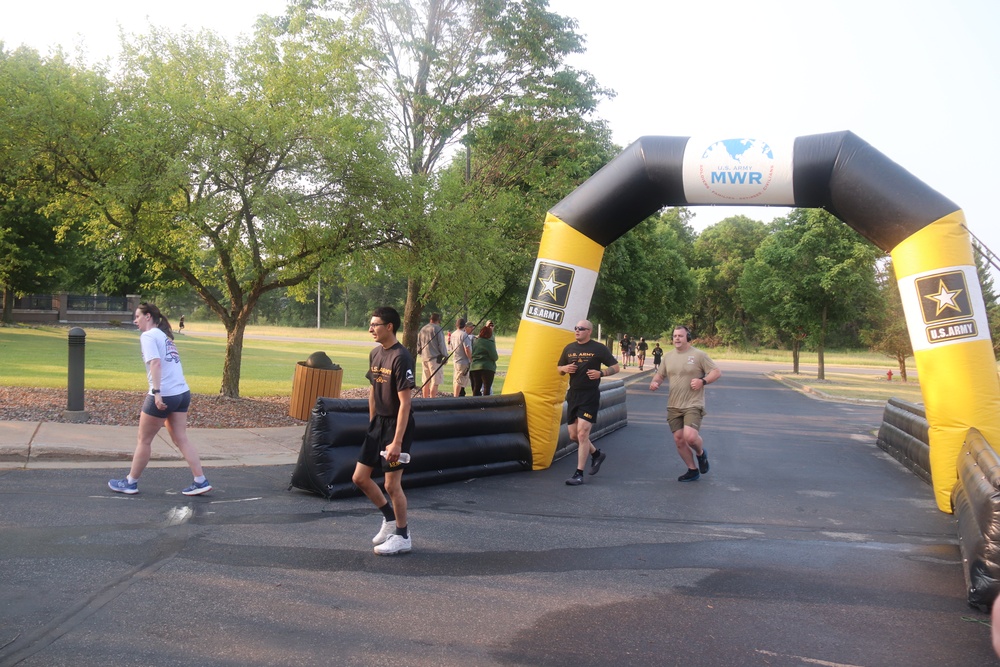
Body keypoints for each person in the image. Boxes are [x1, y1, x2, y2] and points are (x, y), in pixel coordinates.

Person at [108, 303, 211, 496]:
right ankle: (200, 481)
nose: (135, 320)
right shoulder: (164, 336)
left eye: (137, 316)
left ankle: (130, 482)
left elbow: (155, 363)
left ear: (148, 317)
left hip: (165, 393)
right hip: (182, 393)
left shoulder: (148, 336)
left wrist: (156, 392)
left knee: (144, 440)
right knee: (181, 439)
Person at [351, 306, 416, 556]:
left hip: (397, 426)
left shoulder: (401, 357)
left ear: (389, 326)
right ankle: (389, 519)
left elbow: (405, 403)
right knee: (359, 478)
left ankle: (402, 535)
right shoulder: (375, 354)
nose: (370, 329)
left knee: (392, 485)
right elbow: (372, 390)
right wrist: (372, 422)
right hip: (378, 424)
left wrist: (397, 442)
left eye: (375, 324)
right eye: (370, 324)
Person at [649, 325, 722, 482]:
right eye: (675, 336)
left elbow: (716, 372)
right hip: (674, 404)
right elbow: (660, 375)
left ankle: (701, 454)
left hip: (693, 403)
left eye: (680, 336)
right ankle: (692, 469)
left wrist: (703, 381)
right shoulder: (668, 357)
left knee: (690, 437)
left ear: (688, 338)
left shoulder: (699, 355)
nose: (677, 338)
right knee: (679, 440)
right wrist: (655, 383)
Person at [557, 319, 620, 486]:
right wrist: (564, 369)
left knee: (583, 433)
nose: (577, 331)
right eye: (576, 328)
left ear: (589, 331)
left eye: (581, 329)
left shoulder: (598, 348)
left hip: (590, 395)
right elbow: (559, 368)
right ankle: (596, 454)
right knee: (573, 435)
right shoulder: (569, 348)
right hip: (573, 395)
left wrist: (602, 373)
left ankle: (579, 474)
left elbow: (616, 367)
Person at [417, 312, 448, 398]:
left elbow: (418, 345)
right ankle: (432, 400)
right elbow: (441, 344)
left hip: (424, 358)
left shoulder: (423, 329)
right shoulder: (437, 329)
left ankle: (424, 399)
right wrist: (445, 356)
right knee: (435, 381)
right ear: (438, 320)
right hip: (435, 359)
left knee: (426, 381)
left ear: (430, 319)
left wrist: (421, 353)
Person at [470, 324, 498, 396]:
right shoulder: (489, 343)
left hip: (475, 367)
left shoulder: (475, 342)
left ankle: (475, 403)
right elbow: (494, 356)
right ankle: (485, 404)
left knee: (476, 387)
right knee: (486, 387)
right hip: (487, 367)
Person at [450, 317, 473, 397]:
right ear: (464, 325)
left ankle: (456, 395)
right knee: (460, 380)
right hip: (463, 361)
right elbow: (467, 349)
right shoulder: (464, 335)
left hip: (455, 360)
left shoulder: (453, 334)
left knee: (456, 379)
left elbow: (451, 347)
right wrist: (471, 359)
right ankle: (456, 397)